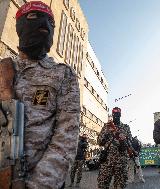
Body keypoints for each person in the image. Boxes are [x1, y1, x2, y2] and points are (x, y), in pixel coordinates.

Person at [0, 1, 80, 188]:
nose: (45, 25)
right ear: (20, 26)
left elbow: (66, 137)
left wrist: (38, 185)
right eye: (35, 17)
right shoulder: (4, 70)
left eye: (51, 23)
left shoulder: (62, 74)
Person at [97, 107, 132, 189]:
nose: (116, 116)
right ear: (112, 114)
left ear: (120, 115)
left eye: (118, 114)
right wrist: (107, 131)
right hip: (107, 161)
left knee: (120, 185)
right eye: (114, 114)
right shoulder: (106, 126)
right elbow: (99, 142)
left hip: (121, 161)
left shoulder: (126, 127)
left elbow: (130, 143)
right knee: (102, 185)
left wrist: (125, 139)